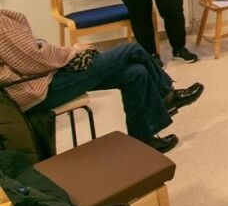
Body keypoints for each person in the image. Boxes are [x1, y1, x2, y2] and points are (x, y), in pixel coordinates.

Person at [0, 9, 205, 153]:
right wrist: (72, 51)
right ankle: (167, 95)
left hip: (39, 82)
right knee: (131, 50)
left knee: (135, 73)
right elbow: (34, 59)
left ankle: (144, 140)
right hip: (39, 89)